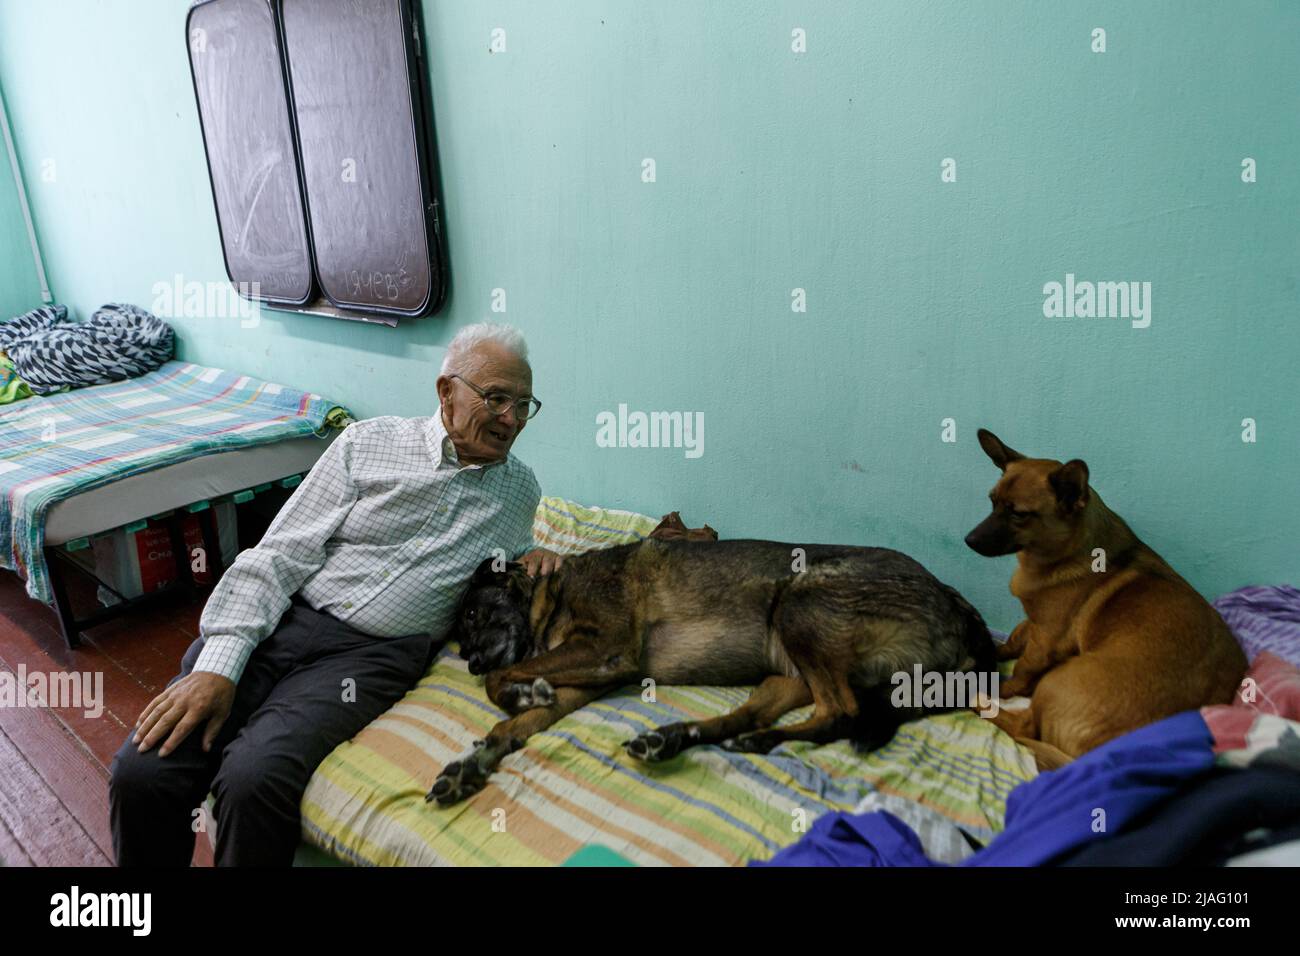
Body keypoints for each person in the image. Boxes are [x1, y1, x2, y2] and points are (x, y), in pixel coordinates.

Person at [109, 322, 561, 865]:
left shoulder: (520, 491)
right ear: (447, 391)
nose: (511, 418)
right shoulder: (367, 444)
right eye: (495, 398)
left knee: (256, 778)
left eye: (523, 403)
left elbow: (510, 559)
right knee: (144, 770)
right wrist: (219, 666)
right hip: (287, 616)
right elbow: (278, 556)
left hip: (370, 658)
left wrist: (534, 558)